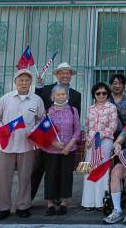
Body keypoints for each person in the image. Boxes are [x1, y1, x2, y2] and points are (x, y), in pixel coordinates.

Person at [0, 68, 46, 220]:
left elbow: (42, 119)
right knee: (3, 178)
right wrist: (1, 129)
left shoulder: (37, 100)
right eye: (21, 80)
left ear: (31, 83)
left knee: (25, 176)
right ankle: (3, 208)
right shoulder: (5, 99)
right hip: (6, 145)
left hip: (27, 145)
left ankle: (23, 206)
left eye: (27, 80)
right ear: (15, 82)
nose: (24, 83)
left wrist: (34, 131)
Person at [31, 61, 81, 202]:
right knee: (39, 169)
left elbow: (76, 120)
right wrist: (39, 86)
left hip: (66, 141)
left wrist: (71, 142)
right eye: (62, 73)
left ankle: (59, 197)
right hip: (47, 138)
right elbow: (38, 102)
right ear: (57, 75)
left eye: (68, 73)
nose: (65, 75)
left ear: (71, 75)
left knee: (62, 171)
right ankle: (27, 198)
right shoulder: (46, 89)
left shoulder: (77, 95)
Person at [41, 84, 81, 216]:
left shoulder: (72, 110)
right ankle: (50, 203)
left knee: (66, 175)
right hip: (52, 150)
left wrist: (69, 145)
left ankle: (64, 202)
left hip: (69, 149)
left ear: (67, 96)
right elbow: (44, 131)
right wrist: (53, 142)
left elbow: (77, 130)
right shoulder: (48, 112)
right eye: (58, 94)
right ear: (53, 96)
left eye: (63, 94)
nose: (61, 96)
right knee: (51, 175)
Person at [82, 82, 118, 210]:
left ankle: (101, 201)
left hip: (105, 142)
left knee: (102, 170)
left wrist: (100, 135)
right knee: (89, 170)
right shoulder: (90, 108)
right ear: (94, 94)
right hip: (91, 143)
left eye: (104, 93)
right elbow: (86, 126)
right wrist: (86, 139)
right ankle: (88, 202)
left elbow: (113, 126)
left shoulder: (111, 107)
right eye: (98, 93)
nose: (101, 95)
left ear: (107, 94)